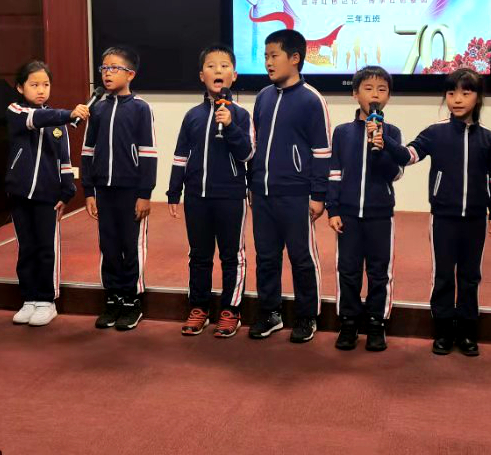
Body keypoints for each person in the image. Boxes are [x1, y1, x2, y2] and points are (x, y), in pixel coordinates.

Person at [384, 68, 491, 356]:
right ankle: (443, 330)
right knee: (443, 275)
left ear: (478, 97)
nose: (457, 99)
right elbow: (408, 155)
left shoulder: (488, 138)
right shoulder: (435, 133)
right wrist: (385, 141)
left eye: (465, 93)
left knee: (470, 276)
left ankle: (467, 331)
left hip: (475, 219)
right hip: (443, 218)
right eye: (451, 93)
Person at [248, 29, 331, 343]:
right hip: (263, 193)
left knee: (301, 257)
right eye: (265, 56)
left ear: (295, 58)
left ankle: (307, 315)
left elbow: (322, 152)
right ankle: (270, 312)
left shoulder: (312, 100)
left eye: (274, 56)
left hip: (297, 195)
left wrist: (318, 195)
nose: (268, 62)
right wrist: (253, 183)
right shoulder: (263, 97)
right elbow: (255, 144)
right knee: (266, 257)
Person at [167, 45, 254, 338]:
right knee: (199, 255)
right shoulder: (192, 115)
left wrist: (229, 126)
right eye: (211, 66)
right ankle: (199, 307)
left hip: (230, 196)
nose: (218, 70)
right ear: (201, 75)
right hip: (196, 197)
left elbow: (247, 153)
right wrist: (174, 191)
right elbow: (180, 155)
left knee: (232, 256)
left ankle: (231, 310)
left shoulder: (241, 115)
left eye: (224, 66)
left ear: (234, 75)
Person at [6, 60, 90, 327]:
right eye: (34, 85)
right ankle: (29, 298)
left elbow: (64, 160)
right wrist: (69, 114)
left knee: (45, 248)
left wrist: (67, 192)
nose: (41, 90)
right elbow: (34, 119)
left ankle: (46, 301)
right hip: (19, 194)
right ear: (20, 87)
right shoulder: (16, 111)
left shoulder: (58, 121)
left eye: (46, 84)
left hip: (48, 197)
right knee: (26, 248)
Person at [326, 66, 404, 351]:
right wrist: (333, 209)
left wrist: (382, 147)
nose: (375, 95)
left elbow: (396, 173)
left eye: (382, 90)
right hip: (347, 214)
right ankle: (348, 322)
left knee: (379, 271)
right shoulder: (342, 132)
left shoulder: (392, 132)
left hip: (380, 214)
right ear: (355, 94)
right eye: (368, 89)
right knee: (347, 270)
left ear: (388, 97)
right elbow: (334, 172)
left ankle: (375, 323)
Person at [81, 46, 157, 332]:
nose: (107, 73)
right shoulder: (96, 108)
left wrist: (145, 193)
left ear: (130, 74)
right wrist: (89, 191)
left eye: (114, 68)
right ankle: (113, 297)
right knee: (109, 245)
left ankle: (132, 301)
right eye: (104, 68)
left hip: (131, 191)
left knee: (131, 246)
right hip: (104, 190)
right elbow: (88, 151)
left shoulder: (140, 108)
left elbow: (148, 152)